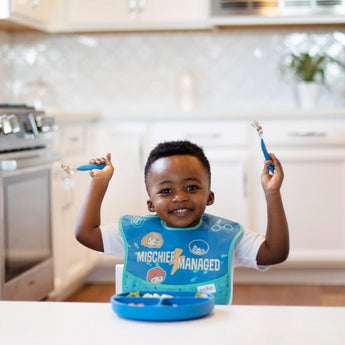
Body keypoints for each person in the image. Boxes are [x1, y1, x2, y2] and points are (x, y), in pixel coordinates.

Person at [75, 140, 289, 304]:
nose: (179, 197)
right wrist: (99, 182)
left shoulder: (225, 236)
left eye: (191, 188)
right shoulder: (136, 234)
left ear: (210, 197)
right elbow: (85, 233)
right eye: (166, 191)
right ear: (151, 204)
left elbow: (275, 253)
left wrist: (272, 194)